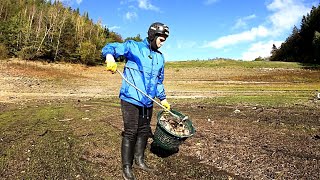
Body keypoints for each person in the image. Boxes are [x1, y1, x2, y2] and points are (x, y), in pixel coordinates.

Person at [101, 22, 171, 180]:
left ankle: (139, 160)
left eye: (165, 39)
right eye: (161, 38)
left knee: (144, 131)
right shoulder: (133, 47)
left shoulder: (160, 58)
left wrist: (164, 99)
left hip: (148, 101)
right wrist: (110, 56)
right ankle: (127, 166)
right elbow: (110, 47)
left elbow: (159, 82)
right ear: (153, 35)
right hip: (131, 98)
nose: (163, 42)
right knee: (131, 132)